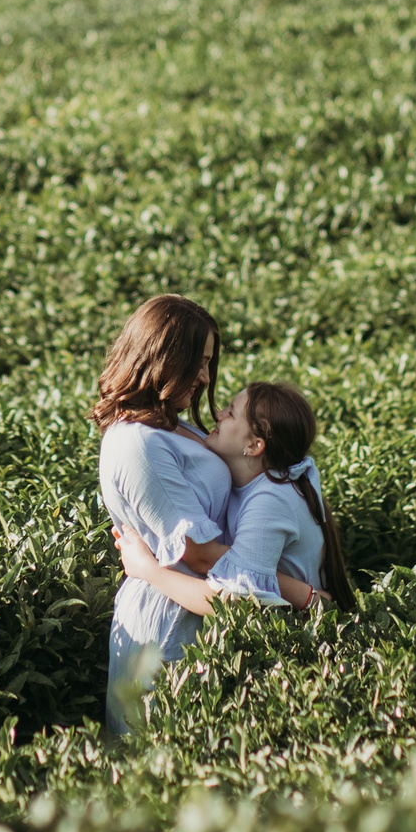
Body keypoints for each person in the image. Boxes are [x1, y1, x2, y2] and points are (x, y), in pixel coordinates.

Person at [91, 294, 233, 735]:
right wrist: (293, 588)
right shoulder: (137, 443)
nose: (206, 376)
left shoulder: (172, 426)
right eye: (198, 361)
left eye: (209, 362)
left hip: (202, 611)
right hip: (167, 626)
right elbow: (200, 554)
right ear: (161, 357)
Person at [115, 379, 357, 636]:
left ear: (254, 446)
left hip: (296, 642)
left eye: (230, 413)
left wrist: (148, 570)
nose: (218, 414)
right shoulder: (268, 480)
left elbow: (232, 603)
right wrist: (296, 591)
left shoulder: (271, 499)